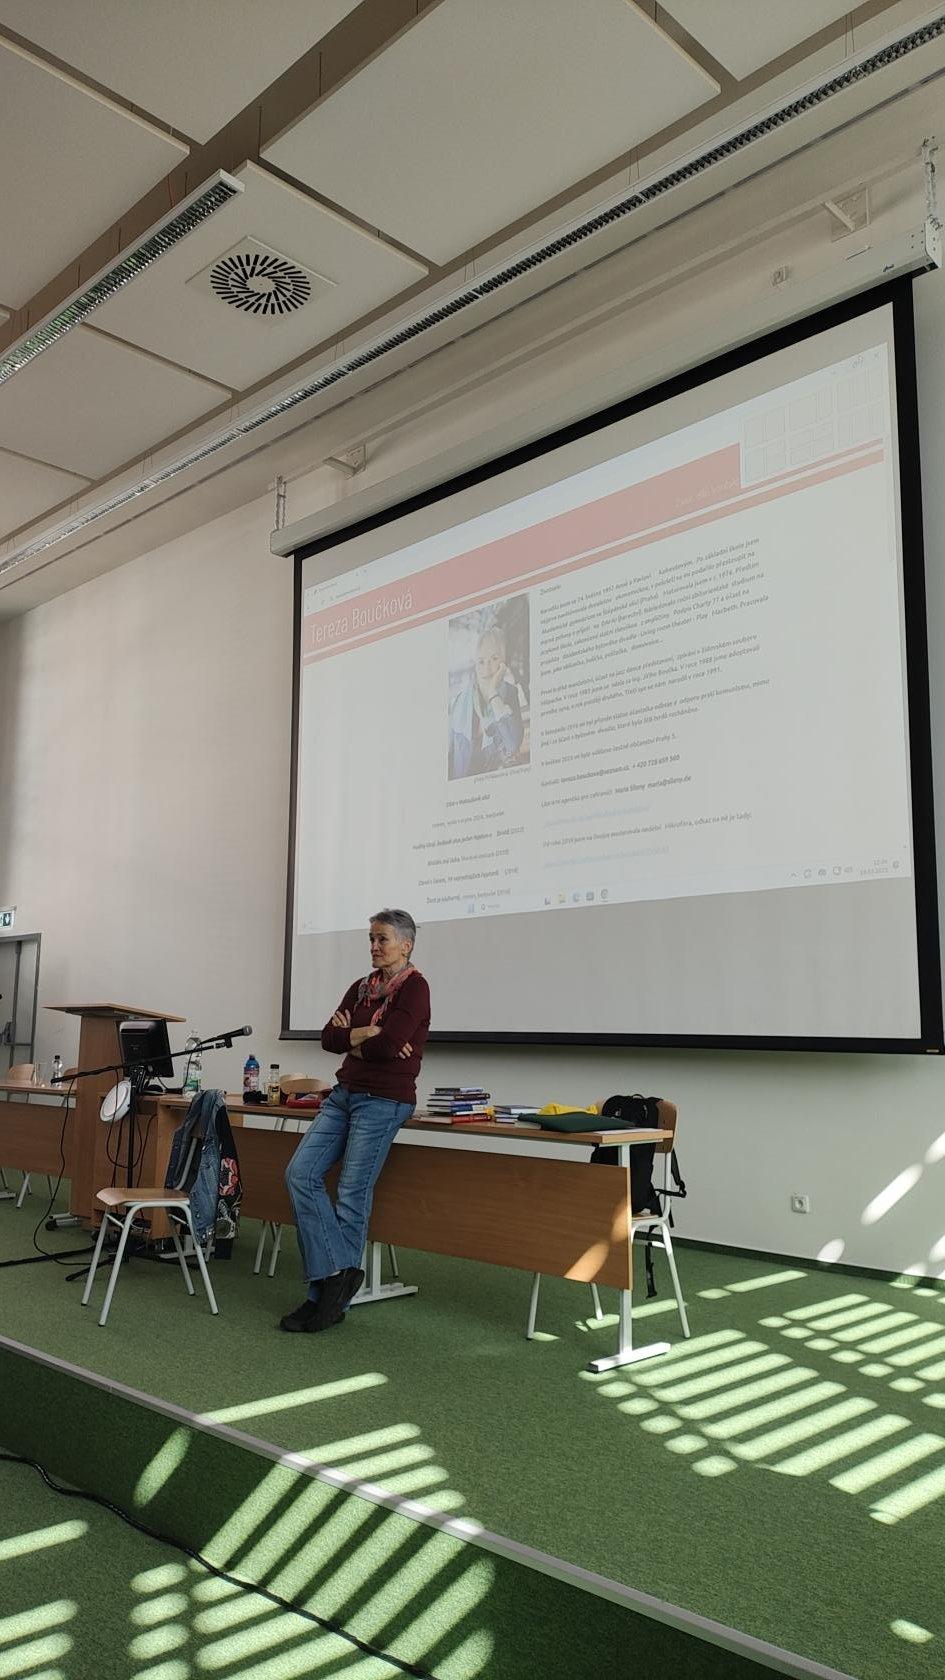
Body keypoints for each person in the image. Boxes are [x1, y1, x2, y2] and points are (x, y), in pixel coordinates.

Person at [281, 909, 431, 1333]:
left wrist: (356, 1036)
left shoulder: (415, 988)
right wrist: (366, 1034)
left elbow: (390, 1046)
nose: (374, 946)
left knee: (351, 1192)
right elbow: (328, 1038)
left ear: (406, 945)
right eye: (371, 938)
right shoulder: (361, 987)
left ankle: (324, 1299)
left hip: (383, 1101)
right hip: (344, 1094)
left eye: (382, 939)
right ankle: (338, 1274)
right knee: (299, 1174)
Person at [448, 621, 525, 779]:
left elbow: (512, 745)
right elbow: (449, 756)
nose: (486, 668)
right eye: (481, 661)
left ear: (503, 663)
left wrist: (493, 694)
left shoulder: (510, 693)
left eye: (494, 659)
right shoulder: (459, 702)